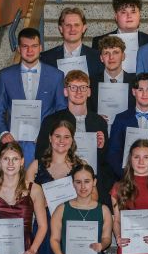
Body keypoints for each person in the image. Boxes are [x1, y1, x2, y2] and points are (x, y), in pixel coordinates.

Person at [0, 27, 67, 164]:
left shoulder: (56, 76)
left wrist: (50, 133)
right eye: (25, 46)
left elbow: (61, 110)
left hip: (46, 145)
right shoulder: (5, 75)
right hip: (14, 145)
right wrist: (3, 133)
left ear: (41, 48)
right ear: (18, 49)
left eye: (34, 46)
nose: (30, 50)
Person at [35, 70, 112, 205]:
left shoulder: (99, 122)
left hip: (92, 186)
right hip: (62, 184)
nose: (78, 92)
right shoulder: (51, 121)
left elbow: (104, 162)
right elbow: (40, 155)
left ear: (89, 92)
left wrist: (101, 147)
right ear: (66, 92)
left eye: (83, 87)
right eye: (73, 87)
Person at [26, 120, 84, 254]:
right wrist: (39, 201)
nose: (61, 141)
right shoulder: (36, 166)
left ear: (72, 140)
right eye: (57, 136)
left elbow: (92, 197)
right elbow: (23, 199)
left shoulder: (81, 166)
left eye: (66, 137)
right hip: (44, 227)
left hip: (71, 227)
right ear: (50, 138)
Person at [106, 72, 148, 179]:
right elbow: (113, 153)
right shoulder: (120, 119)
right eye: (140, 90)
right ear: (133, 92)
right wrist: (127, 175)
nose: (144, 94)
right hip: (128, 178)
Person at [91, 0, 148, 73]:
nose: (129, 16)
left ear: (140, 15)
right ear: (116, 16)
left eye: (133, 12)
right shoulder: (99, 41)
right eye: (123, 12)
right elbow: (96, 73)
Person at [41, 7, 104, 77]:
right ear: (61, 28)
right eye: (68, 25)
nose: (72, 29)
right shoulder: (46, 58)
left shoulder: (97, 57)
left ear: (84, 28)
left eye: (76, 25)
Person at [88, 35, 136, 114]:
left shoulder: (135, 82)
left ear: (123, 56)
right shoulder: (90, 83)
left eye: (115, 52)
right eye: (106, 53)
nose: (111, 57)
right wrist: (96, 118)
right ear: (101, 58)